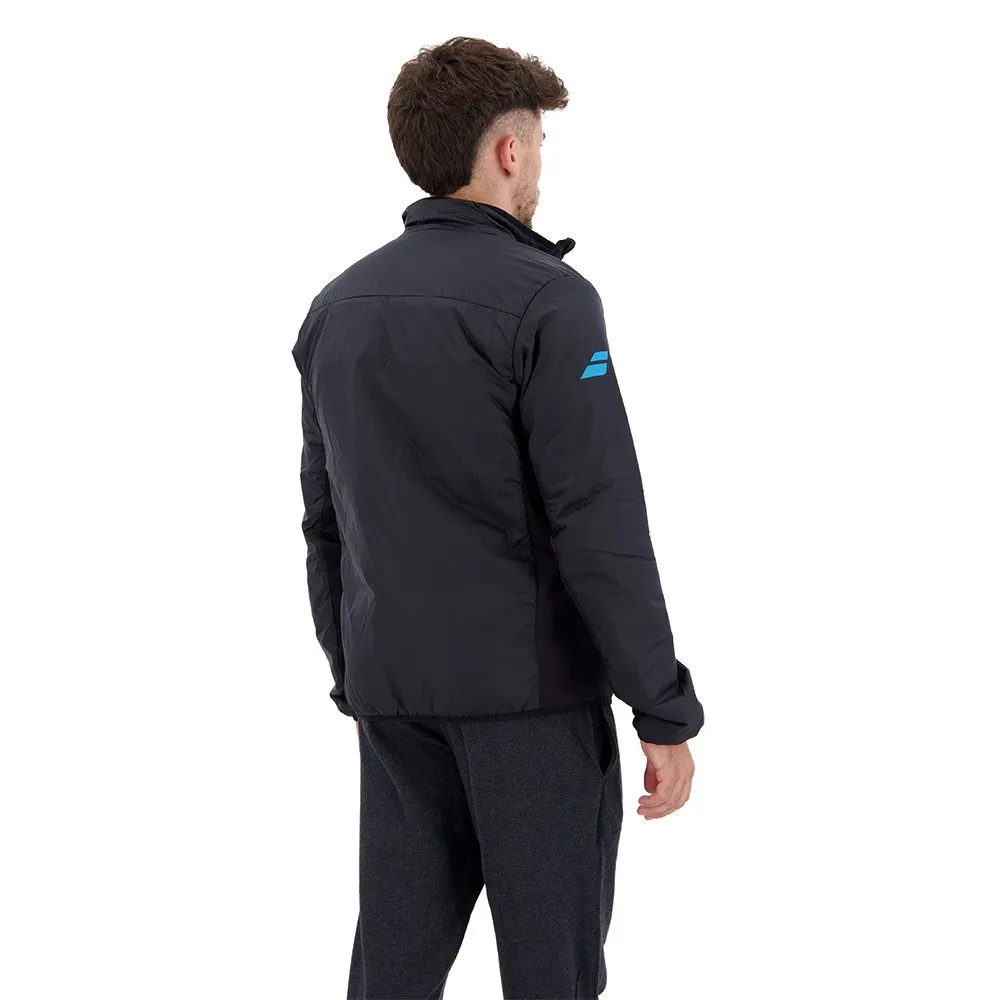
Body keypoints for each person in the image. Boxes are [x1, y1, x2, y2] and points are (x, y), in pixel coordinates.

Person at [291, 35, 705, 1000]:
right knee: (552, 977)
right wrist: (662, 705)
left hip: (395, 700)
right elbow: (598, 521)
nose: (540, 168)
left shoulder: (336, 308)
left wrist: (357, 676)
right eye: (540, 146)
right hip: (533, 711)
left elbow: (323, 518)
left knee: (391, 976)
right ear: (508, 151)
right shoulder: (551, 302)